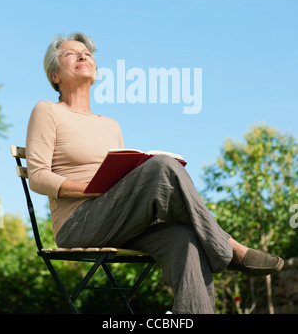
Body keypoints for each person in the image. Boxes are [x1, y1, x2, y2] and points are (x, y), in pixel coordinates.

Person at [26, 32, 284, 314]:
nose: (83, 56)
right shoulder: (47, 111)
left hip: (120, 219)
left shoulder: (111, 125)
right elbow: (38, 176)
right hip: (79, 223)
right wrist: (89, 188)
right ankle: (229, 248)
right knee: (162, 166)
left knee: (185, 238)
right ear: (54, 75)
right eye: (70, 53)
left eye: (87, 53)